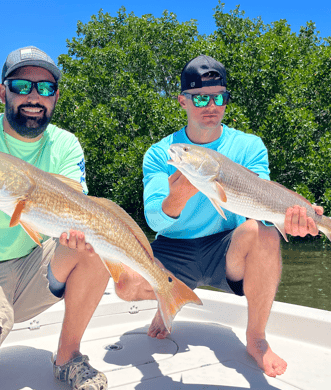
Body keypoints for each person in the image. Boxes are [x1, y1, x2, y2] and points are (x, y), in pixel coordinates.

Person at [115, 54, 323, 378]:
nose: (210, 105)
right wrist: (178, 197)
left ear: (226, 100)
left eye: (218, 97)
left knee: (265, 233)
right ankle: (168, 302)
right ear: (182, 100)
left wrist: (293, 218)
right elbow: (155, 220)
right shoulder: (162, 152)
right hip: (174, 247)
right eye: (200, 97)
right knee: (125, 281)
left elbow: (264, 199)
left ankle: (256, 339)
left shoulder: (250, 146)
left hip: (226, 249)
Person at [0, 46, 109, 389]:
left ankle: (68, 357)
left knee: (97, 239)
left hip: (38, 259)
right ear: (3, 91)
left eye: (45, 88)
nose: (34, 96)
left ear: (56, 97)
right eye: (21, 86)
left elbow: (75, 210)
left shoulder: (65, 145)